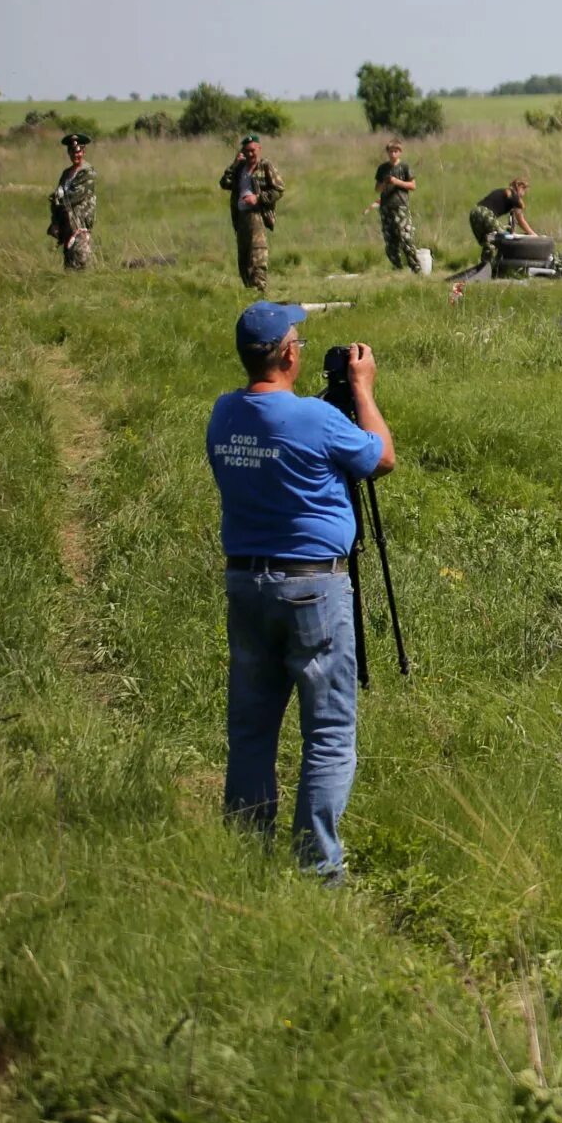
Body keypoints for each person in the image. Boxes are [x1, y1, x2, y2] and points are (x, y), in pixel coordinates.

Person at [205, 302, 395, 879]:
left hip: (246, 581)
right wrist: (362, 389)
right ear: (289, 354)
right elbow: (381, 456)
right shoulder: (315, 419)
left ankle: (246, 853)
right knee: (330, 732)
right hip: (313, 588)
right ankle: (319, 867)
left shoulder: (223, 414)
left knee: (252, 728)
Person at [219, 135, 285, 290]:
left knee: (257, 254)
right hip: (241, 217)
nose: (249, 154)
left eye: (252, 150)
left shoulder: (265, 166)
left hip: (257, 216)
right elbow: (224, 183)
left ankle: (259, 289)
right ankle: (248, 288)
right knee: (244, 256)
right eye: (246, 151)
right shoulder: (240, 168)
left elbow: (279, 190)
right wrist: (234, 165)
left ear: (259, 149)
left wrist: (258, 198)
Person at [368, 140, 421, 272]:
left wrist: (397, 182)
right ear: (387, 152)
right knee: (390, 240)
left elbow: (413, 185)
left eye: (395, 151)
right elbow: (377, 189)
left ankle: (415, 267)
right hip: (386, 207)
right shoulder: (382, 169)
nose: (393, 154)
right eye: (391, 151)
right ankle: (398, 268)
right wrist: (385, 183)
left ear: (400, 152)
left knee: (406, 238)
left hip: (400, 206)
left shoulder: (404, 167)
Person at [48, 131, 96, 270]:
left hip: (80, 225)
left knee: (81, 263)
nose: (76, 155)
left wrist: (57, 198)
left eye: (78, 152)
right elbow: (56, 200)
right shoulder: (66, 173)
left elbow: (73, 197)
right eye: (72, 152)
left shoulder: (88, 172)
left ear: (84, 151)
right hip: (66, 225)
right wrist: (55, 222)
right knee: (68, 266)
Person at [469, 176, 535, 270]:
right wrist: (533, 234)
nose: (524, 194)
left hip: (474, 213)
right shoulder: (513, 195)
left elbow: (513, 220)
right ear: (520, 187)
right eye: (524, 190)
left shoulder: (505, 192)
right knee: (503, 237)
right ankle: (496, 267)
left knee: (488, 242)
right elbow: (520, 219)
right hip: (485, 213)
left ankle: (484, 268)